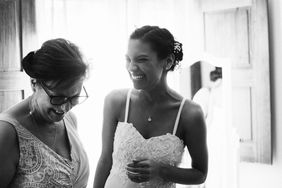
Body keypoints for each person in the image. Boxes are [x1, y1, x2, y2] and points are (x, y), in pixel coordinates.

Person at [94, 25, 208, 188]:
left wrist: (163, 171)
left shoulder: (190, 114)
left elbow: (200, 174)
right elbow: (105, 160)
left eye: (142, 60)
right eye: (129, 59)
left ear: (168, 61)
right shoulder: (115, 101)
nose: (131, 68)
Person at [0, 38, 90, 188]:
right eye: (57, 97)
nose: (64, 108)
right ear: (34, 83)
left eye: (74, 97)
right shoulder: (7, 132)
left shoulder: (70, 119)